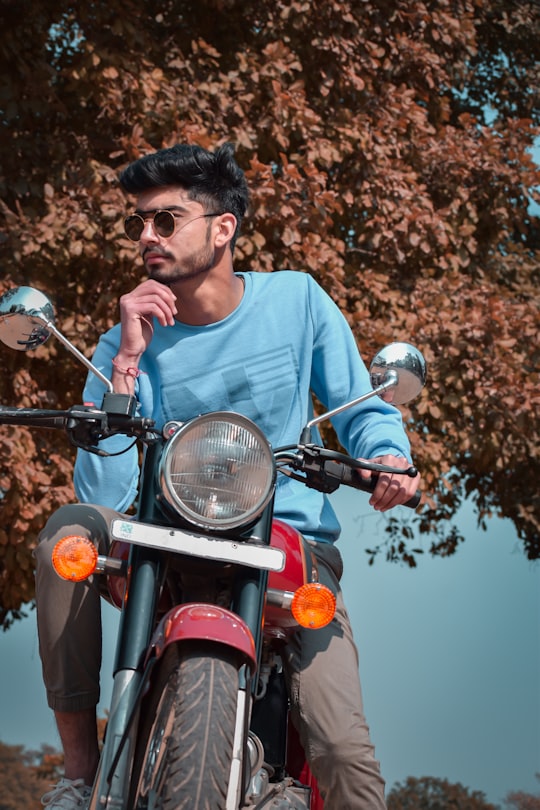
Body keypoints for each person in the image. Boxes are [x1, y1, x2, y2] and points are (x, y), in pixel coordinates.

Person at [35, 142, 420, 810]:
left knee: (342, 751)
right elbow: (101, 495)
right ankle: (79, 766)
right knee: (67, 531)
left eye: (166, 220)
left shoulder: (297, 300)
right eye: (139, 224)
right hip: (159, 539)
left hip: (287, 544)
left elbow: (362, 412)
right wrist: (127, 361)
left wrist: (387, 459)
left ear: (223, 228)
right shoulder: (122, 340)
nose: (146, 238)